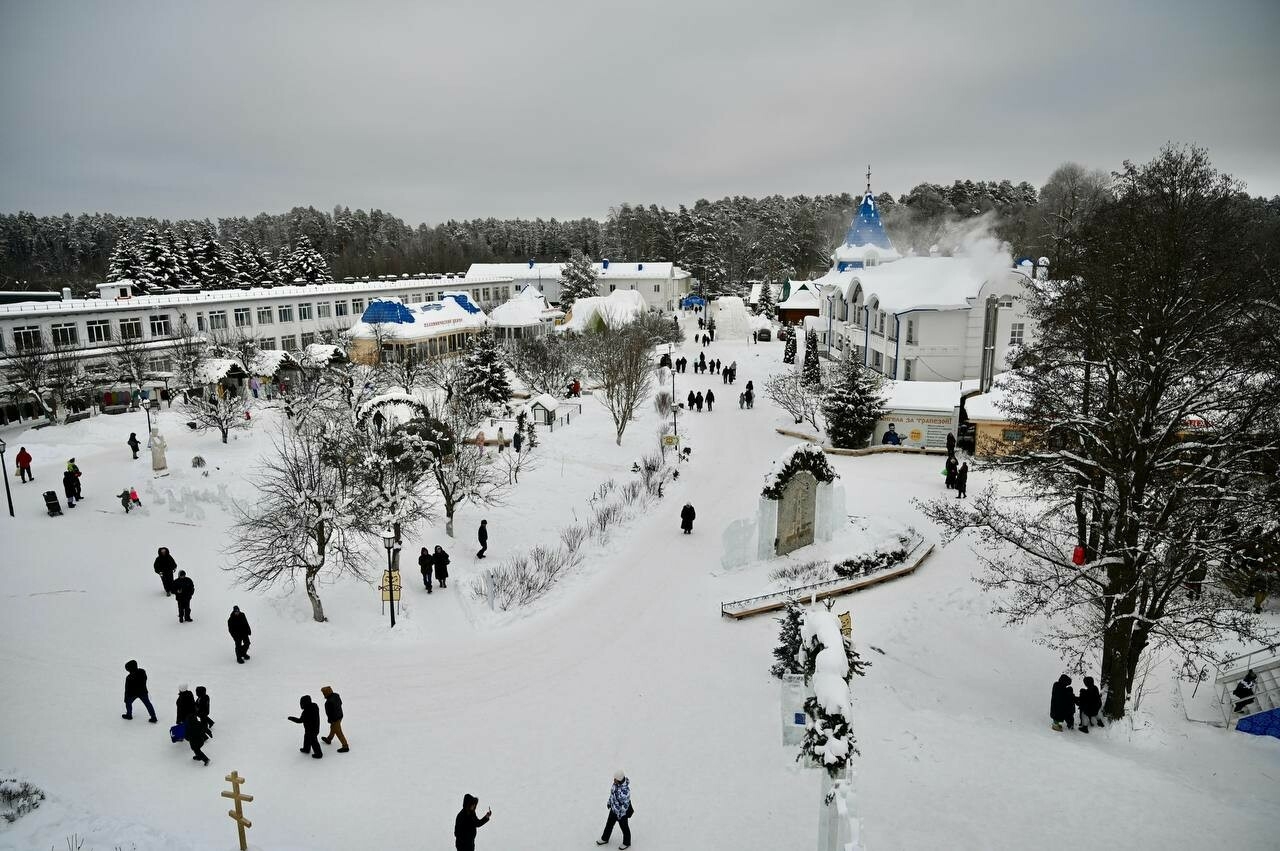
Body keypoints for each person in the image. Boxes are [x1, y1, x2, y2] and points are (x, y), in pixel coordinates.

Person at [595, 770, 633, 849]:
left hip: (621, 814)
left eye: (615, 779)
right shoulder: (615, 784)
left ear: (619, 780)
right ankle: (605, 838)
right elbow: (612, 794)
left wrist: (620, 814)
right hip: (613, 810)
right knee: (608, 825)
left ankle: (627, 842)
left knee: (624, 828)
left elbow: (625, 805)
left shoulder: (625, 791)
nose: (614, 780)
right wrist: (609, 802)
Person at [320, 685, 350, 752]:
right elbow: (340, 703)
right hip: (340, 715)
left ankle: (345, 746)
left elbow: (329, 713)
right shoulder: (336, 695)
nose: (323, 694)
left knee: (338, 732)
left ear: (326, 693)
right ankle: (329, 739)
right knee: (333, 728)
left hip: (334, 719)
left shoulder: (328, 703)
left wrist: (330, 720)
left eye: (323, 693)